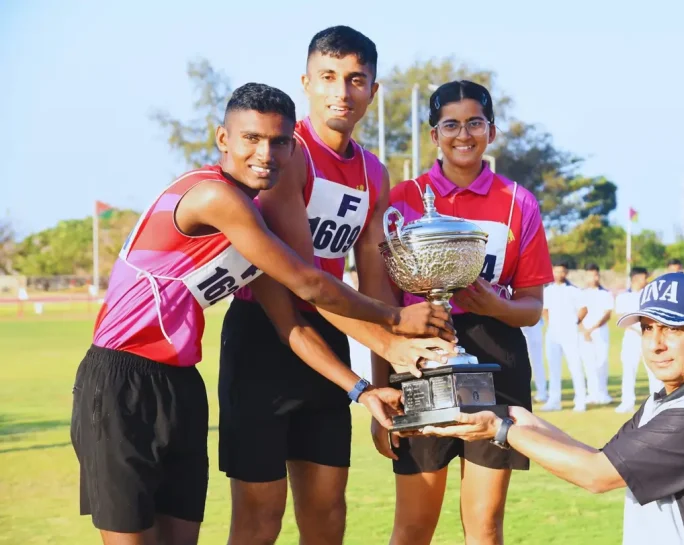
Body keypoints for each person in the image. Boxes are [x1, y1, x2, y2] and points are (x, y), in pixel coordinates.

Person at [70, 83, 453, 545]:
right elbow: (310, 283)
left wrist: (363, 390)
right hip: (121, 381)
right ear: (223, 139)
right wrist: (395, 319)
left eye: (278, 141)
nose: (265, 154)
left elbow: (291, 325)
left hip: (181, 384)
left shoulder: (255, 222)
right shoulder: (214, 197)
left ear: (293, 147)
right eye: (251, 138)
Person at [218, 27, 436, 545]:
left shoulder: (373, 173)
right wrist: (390, 338)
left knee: (327, 513)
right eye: (329, 77)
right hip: (264, 338)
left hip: (335, 336)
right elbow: (307, 283)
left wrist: (383, 387)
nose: (342, 91)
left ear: (373, 91)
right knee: (260, 518)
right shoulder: (287, 154)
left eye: (356, 79)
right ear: (306, 83)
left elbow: (376, 288)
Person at [422, 272, 684, 545]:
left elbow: (596, 474)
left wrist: (501, 430)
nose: (656, 344)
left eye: (672, 328)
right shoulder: (672, 399)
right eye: (648, 328)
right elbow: (599, 457)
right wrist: (516, 417)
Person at [381, 79, 553, 545]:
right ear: (433, 135)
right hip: (422, 358)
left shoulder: (519, 201)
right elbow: (385, 305)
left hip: (497, 359)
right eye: (450, 125)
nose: (463, 134)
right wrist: (382, 387)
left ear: (491, 131)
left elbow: (532, 307)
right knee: (413, 527)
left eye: (475, 123)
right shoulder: (403, 198)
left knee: (485, 526)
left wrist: (496, 305)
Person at [613, 267, 662, 413]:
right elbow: (620, 317)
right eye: (643, 278)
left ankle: (656, 402)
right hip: (631, 337)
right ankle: (627, 402)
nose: (646, 280)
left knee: (653, 371)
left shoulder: (650, 296)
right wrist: (637, 329)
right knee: (629, 370)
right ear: (635, 278)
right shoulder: (623, 297)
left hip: (648, 337)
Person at [542, 261, 587, 411]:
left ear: (566, 273)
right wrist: (549, 323)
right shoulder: (548, 290)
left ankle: (580, 401)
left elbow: (584, 309)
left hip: (570, 332)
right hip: (553, 333)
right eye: (556, 271)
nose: (559, 274)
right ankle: (554, 401)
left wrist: (574, 322)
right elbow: (544, 309)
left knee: (575, 365)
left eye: (562, 271)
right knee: (553, 368)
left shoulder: (574, 290)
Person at [578, 263, 614, 404]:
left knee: (602, 362)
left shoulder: (605, 294)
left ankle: (603, 394)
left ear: (598, 276)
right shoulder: (581, 294)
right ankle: (592, 394)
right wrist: (584, 330)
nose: (593, 278)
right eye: (590, 275)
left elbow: (607, 314)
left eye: (595, 275)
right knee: (588, 364)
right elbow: (578, 315)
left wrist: (593, 328)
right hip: (585, 334)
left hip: (600, 331)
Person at [521, 313, 548, 403]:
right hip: (517, 323)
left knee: (537, 362)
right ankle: (525, 393)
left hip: (532, 323)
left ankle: (542, 393)